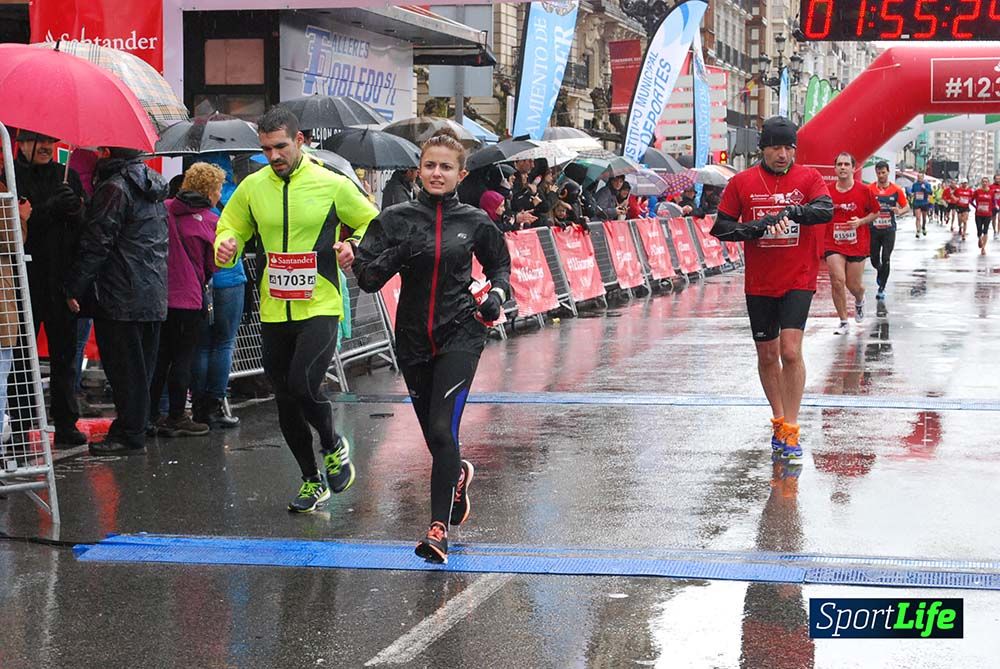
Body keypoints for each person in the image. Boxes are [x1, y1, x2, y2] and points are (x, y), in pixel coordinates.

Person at [353, 128, 512, 564]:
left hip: (460, 333)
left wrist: (496, 294)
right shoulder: (395, 218)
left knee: (443, 431)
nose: (436, 173)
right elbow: (368, 280)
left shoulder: (475, 221)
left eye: (446, 167)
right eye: (429, 165)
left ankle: (437, 529)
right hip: (412, 340)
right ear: (418, 169)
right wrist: (393, 251)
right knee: (435, 436)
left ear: (460, 174)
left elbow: (500, 262)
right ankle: (457, 474)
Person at [214, 106, 377, 513]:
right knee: (285, 399)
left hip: (319, 303)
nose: (273, 156)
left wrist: (352, 245)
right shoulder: (253, 187)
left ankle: (333, 445)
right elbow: (229, 226)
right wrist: (226, 244)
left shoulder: (331, 184)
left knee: (304, 382)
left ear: (300, 140)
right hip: (274, 308)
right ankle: (311, 480)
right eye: (266, 149)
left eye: (280, 147)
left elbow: (373, 223)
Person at [710, 117, 833, 462]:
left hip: (799, 276)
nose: (783, 154)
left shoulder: (809, 178)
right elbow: (720, 228)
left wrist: (798, 211)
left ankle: (792, 429)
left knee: (790, 351)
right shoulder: (742, 182)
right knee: (767, 355)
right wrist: (752, 228)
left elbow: (826, 209)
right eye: (776, 147)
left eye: (789, 148)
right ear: (762, 148)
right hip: (761, 281)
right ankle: (779, 419)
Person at [66, 147, 169, 455]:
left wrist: (75, 287)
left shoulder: (114, 188)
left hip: (120, 292)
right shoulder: (154, 185)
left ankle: (129, 432)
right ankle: (137, 424)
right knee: (142, 369)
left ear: (108, 152)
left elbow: (98, 242)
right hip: (152, 291)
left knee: (125, 370)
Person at [11, 130, 88, 448]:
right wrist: (48, 210)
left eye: (50, 141)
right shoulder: (9, 178)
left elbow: (86, 227)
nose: (45, 147)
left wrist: (76, 210)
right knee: (20, 360)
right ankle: (17, 428)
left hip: (61, 282)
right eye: (35, 141)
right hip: (23, 281)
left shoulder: (65, 177)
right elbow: (16, 229)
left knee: (65, 357)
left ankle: (66, 422)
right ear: (20, 143)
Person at [148, 163, 225, 437]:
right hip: (190, 300)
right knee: (183, 358)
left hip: (158, 296)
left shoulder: (164, 208)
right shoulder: (212, 220)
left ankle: (150, 415)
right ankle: (178, 416)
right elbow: (212, 264)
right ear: (211, 190)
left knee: (158, 358)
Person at [190, 153, 244, 429]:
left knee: (200, 346)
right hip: (230, 280)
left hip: (199, 283)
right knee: (224, 343)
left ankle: (198, 406)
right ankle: (215, 405)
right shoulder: (236, 196)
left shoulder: (186, 208)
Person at [823, 152, 879, 334]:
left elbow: (875, 212)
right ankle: (843, 321)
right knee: (838, 280)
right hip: (833, 243)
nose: (843, 168)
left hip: (857, 243)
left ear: (853, 169)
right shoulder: (827, 190)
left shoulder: (864, 191)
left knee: (853, 285)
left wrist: (860, 222)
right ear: (835, 168)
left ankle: (860, 298)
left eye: (847, 164)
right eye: (839, 164)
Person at [869, 161, 909, 304]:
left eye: (883, 173)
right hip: (873, 230)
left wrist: (900, 211)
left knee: (886, 257)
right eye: (879, 173)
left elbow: (906, 207)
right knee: (874, 259)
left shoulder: (896, 190)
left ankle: (882, 288)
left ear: (888, 172)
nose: (881, 176)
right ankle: (880, 271)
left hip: (889, 230)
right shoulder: (870, 189)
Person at [972, 177, 995, 256]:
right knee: (979, 230)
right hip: (978, 214)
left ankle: (983, 248)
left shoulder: (991, 192)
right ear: (981, 183)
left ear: (988, 183)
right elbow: (971, 201)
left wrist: (991, 209)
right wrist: (976, 207)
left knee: (985, 230)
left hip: (987, 214)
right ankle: (979, 238)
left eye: (986, 182)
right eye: (983, 182)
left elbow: (994, 202)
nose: (985, 183)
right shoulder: (977, 191)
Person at [909, 172, 933, 238]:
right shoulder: (915, 184)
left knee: (924, 218)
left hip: (924, 203)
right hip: (917, 202)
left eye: (920, 177)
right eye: (918, 177)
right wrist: (911, 194)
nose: (919, 178)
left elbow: (930, 192)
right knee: (918, 218)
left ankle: (923, 227)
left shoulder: (927, 184)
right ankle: (918, 231)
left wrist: (924, 189)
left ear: (923, 177)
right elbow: (912, 191)